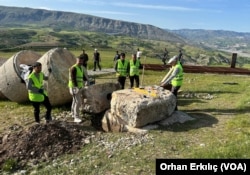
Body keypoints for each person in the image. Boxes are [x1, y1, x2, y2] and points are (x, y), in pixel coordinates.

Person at [68, 57, 89, 123]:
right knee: (78, 102)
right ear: (76, 61)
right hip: (74, 87)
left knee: (74, 100)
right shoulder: (73, 68)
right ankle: (76, 117)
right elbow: (73, 78)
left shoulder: (80, 68)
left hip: (79, 87)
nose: (80, 62)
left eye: (81, 61)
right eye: (79, 61)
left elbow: (82, 76)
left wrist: (86, 81)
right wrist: (76, 87)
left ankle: (72, 113)